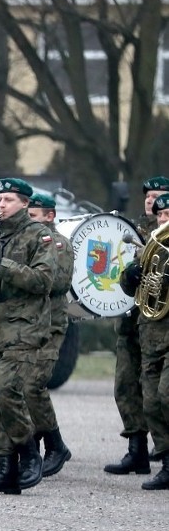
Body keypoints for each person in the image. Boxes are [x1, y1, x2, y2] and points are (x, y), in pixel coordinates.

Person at [0, 178, 55, 495]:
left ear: (24, 204)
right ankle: (5, 468)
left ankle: (30, 452)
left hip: (24, 327)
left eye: (7, 200)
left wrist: (0, 264)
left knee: (7, 390)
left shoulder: (40, 236)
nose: (1, 205)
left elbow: (43, 281)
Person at [105, 176, 169, 475]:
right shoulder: (132, 230)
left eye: (159, 197)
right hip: (134, 323)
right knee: (126, 388)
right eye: (148, 196)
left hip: (159, 323)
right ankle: (137, 450)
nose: (151, 201)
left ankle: (163, 451)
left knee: (157, 393)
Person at [25, 192, 74, 477]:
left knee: (33, 385)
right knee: (20, 387)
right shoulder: (25, 242)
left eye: (34, 216)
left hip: (51, 325)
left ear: (50, 216)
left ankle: (55, 444)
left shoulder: (60, 245)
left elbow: (57, 282)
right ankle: (33, 442)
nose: (29, 221)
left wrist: (18, 272)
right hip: (26, 324)